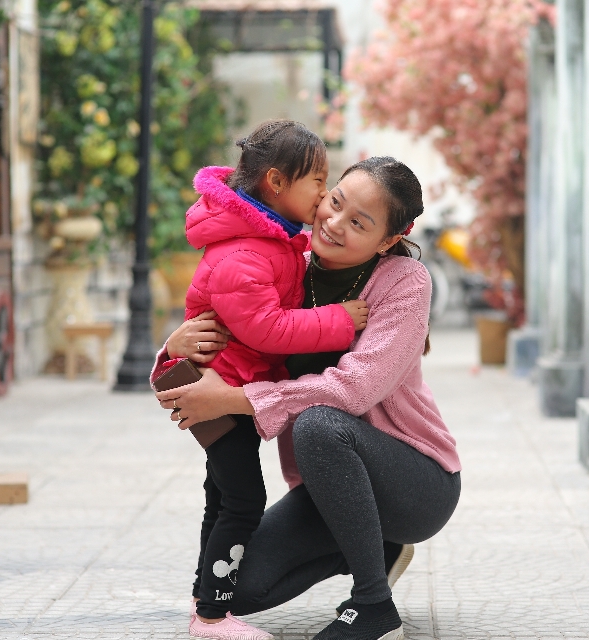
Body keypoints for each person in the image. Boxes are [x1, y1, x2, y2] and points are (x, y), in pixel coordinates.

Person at [155, 157, 462, 640]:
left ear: (387, 240)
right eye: (335, 202)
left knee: (321, 422)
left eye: (358, 222)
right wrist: (175, 348)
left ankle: (373, 605)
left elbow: (355, 389)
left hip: (416, 484)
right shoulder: (288, 266)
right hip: (331, 489)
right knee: (238, 587)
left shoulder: (404, 282)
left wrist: (237, 399)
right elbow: (229, 328)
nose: (335, 223)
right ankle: (377, 553)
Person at [157, 120, 371, 640]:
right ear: (276, 182)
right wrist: (344, 319)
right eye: (317, 181)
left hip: (230, 388)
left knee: (222, 495)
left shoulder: (267, 240)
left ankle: (205, 602)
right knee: (243, 501)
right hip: (219, 393)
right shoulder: (243, 254)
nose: (323, 194)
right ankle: (211, 616)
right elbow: (269, 330)